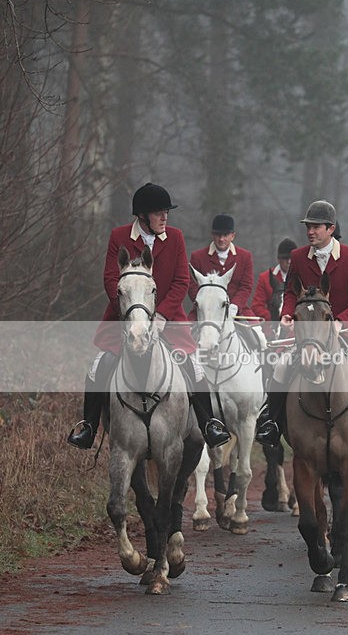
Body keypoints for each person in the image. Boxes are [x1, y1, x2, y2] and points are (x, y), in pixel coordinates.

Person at [67, 183, 230, 450]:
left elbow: (181, 281)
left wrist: (163, 314)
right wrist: (131, 312)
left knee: (192, 366)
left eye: (166, 212)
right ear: (142, 216)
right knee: (99, 365)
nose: (165, 217)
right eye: (159, 212)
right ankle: (88, 426)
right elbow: (110, 279)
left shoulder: (175, 237)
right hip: (125, 317)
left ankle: (208, 423)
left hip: (169, 318)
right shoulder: (119, 236)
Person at [255, 200, 348, 450]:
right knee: (281, 365)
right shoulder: (298, 257)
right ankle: (272, 423)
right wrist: (287, 313)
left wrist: (340, 321)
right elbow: (291, 292)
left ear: (331, 228)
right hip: (310, 330)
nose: (310, 231)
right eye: (308, 227)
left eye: (316, 227)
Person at [188, 214, 254, 318]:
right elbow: (191, 285)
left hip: (237, 310)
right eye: (218, 235)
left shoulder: (245, 256)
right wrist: (205, 303)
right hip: (204, 310)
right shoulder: (197, 257)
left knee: (258, 332)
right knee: (184, 332)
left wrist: (235, 305)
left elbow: (246, 286)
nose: (221, 239)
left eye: (226, 235)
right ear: (212, 235)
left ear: (233, 235)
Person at [251, 237, 297, 321]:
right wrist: (273, 319)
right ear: (279, 259)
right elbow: (257, 306)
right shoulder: (265, 278)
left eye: (292, 258)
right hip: (272, 325)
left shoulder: (302, 278)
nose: (289, 261)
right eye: (286, 258)